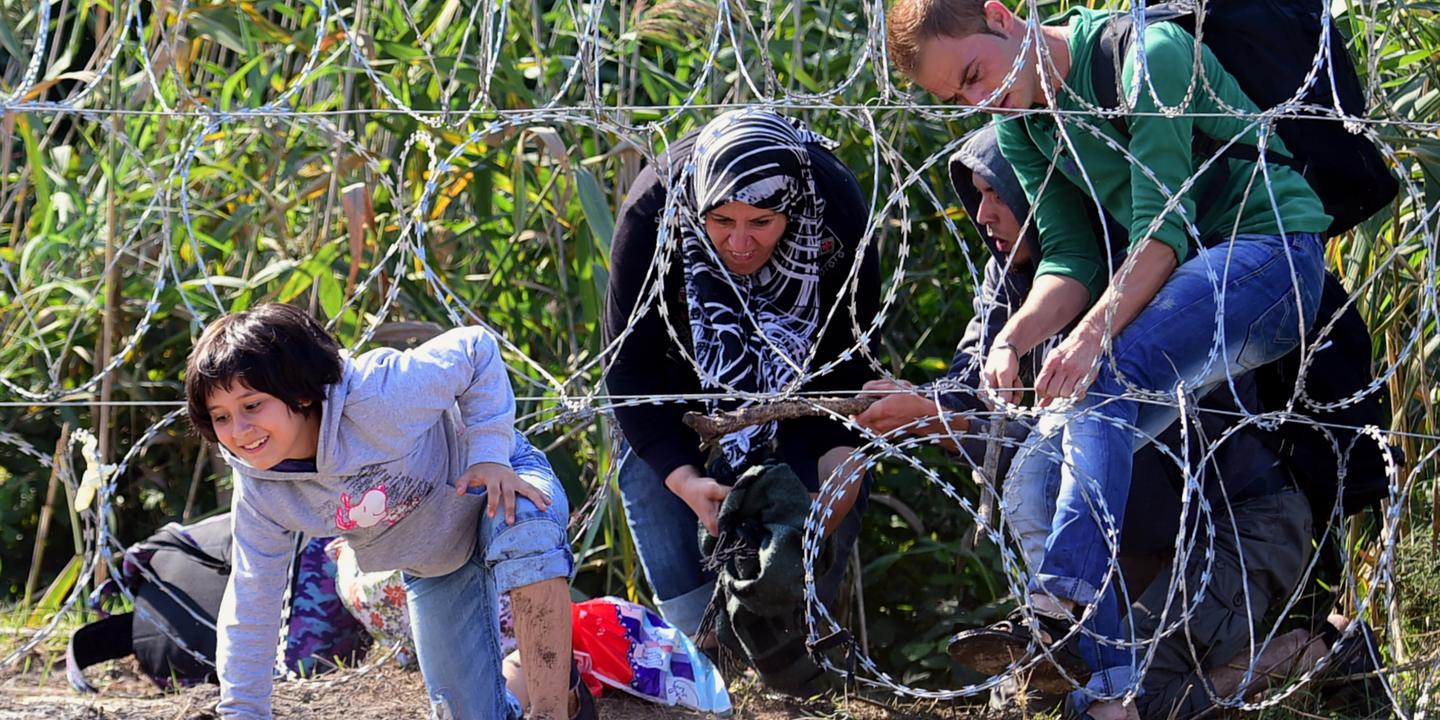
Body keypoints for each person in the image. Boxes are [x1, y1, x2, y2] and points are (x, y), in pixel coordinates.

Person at [887, 1, 1332, 715]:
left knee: (1107, 375)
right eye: (959, 97)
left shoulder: (1148, 58)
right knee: (1035, 472)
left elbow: (1164, 230)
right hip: (1191, 277)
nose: (981, 100)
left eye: (974, 74)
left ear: (1001, 17)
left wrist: (1090, 336)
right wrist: (1012, 338)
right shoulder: (1023, 121)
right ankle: (1109, 697)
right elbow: (1071, 258)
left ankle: (1061, 604)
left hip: (1270, 256)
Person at [184, 303, 592, 720]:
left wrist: (489, 453)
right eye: (221, 417)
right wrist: (242, 712)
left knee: (523, 526)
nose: (239, 431)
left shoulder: (376, 395)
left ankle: (552, 710)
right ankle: (551, 678)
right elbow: (252, 597)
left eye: (252, 405)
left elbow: (475, 349)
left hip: (497, 483)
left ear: (300, 392)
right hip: (437, 559)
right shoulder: (260, 489)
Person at [603, 108, 880, 640]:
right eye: (721, 221)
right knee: (693, 615)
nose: (740, 243)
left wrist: (839, 469)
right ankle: (700, 650)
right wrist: (685, 480)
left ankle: (800, 641)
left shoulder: (834, 207)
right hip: (672, 392)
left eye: (761, 222)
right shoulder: (653, 213)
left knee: (796, 609)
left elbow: (850, 363)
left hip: (803, 391)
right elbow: (630, 367)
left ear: (793, 208)